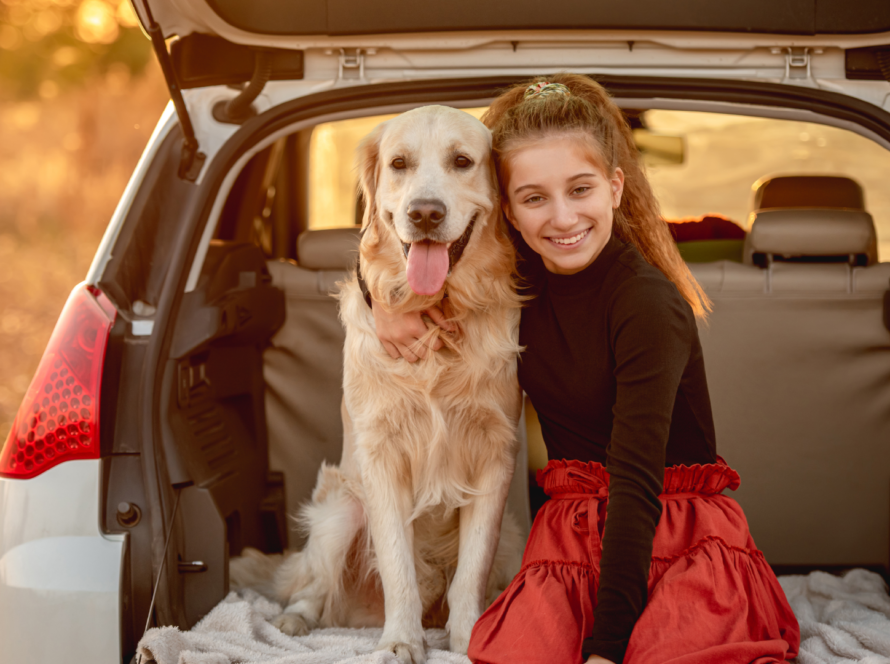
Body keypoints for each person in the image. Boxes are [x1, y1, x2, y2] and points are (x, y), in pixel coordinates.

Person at [362, 74, 800, 664]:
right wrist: (379, 305)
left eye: (581, 189)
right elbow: (401, 244)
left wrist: (606, 648)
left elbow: (638, 484)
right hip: (569, 535)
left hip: (670, 532)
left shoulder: (647, 304)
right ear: (507, 211)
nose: (562, 219)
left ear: (615, 188)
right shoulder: (518, 281)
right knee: (507, 654)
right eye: (535, 198)